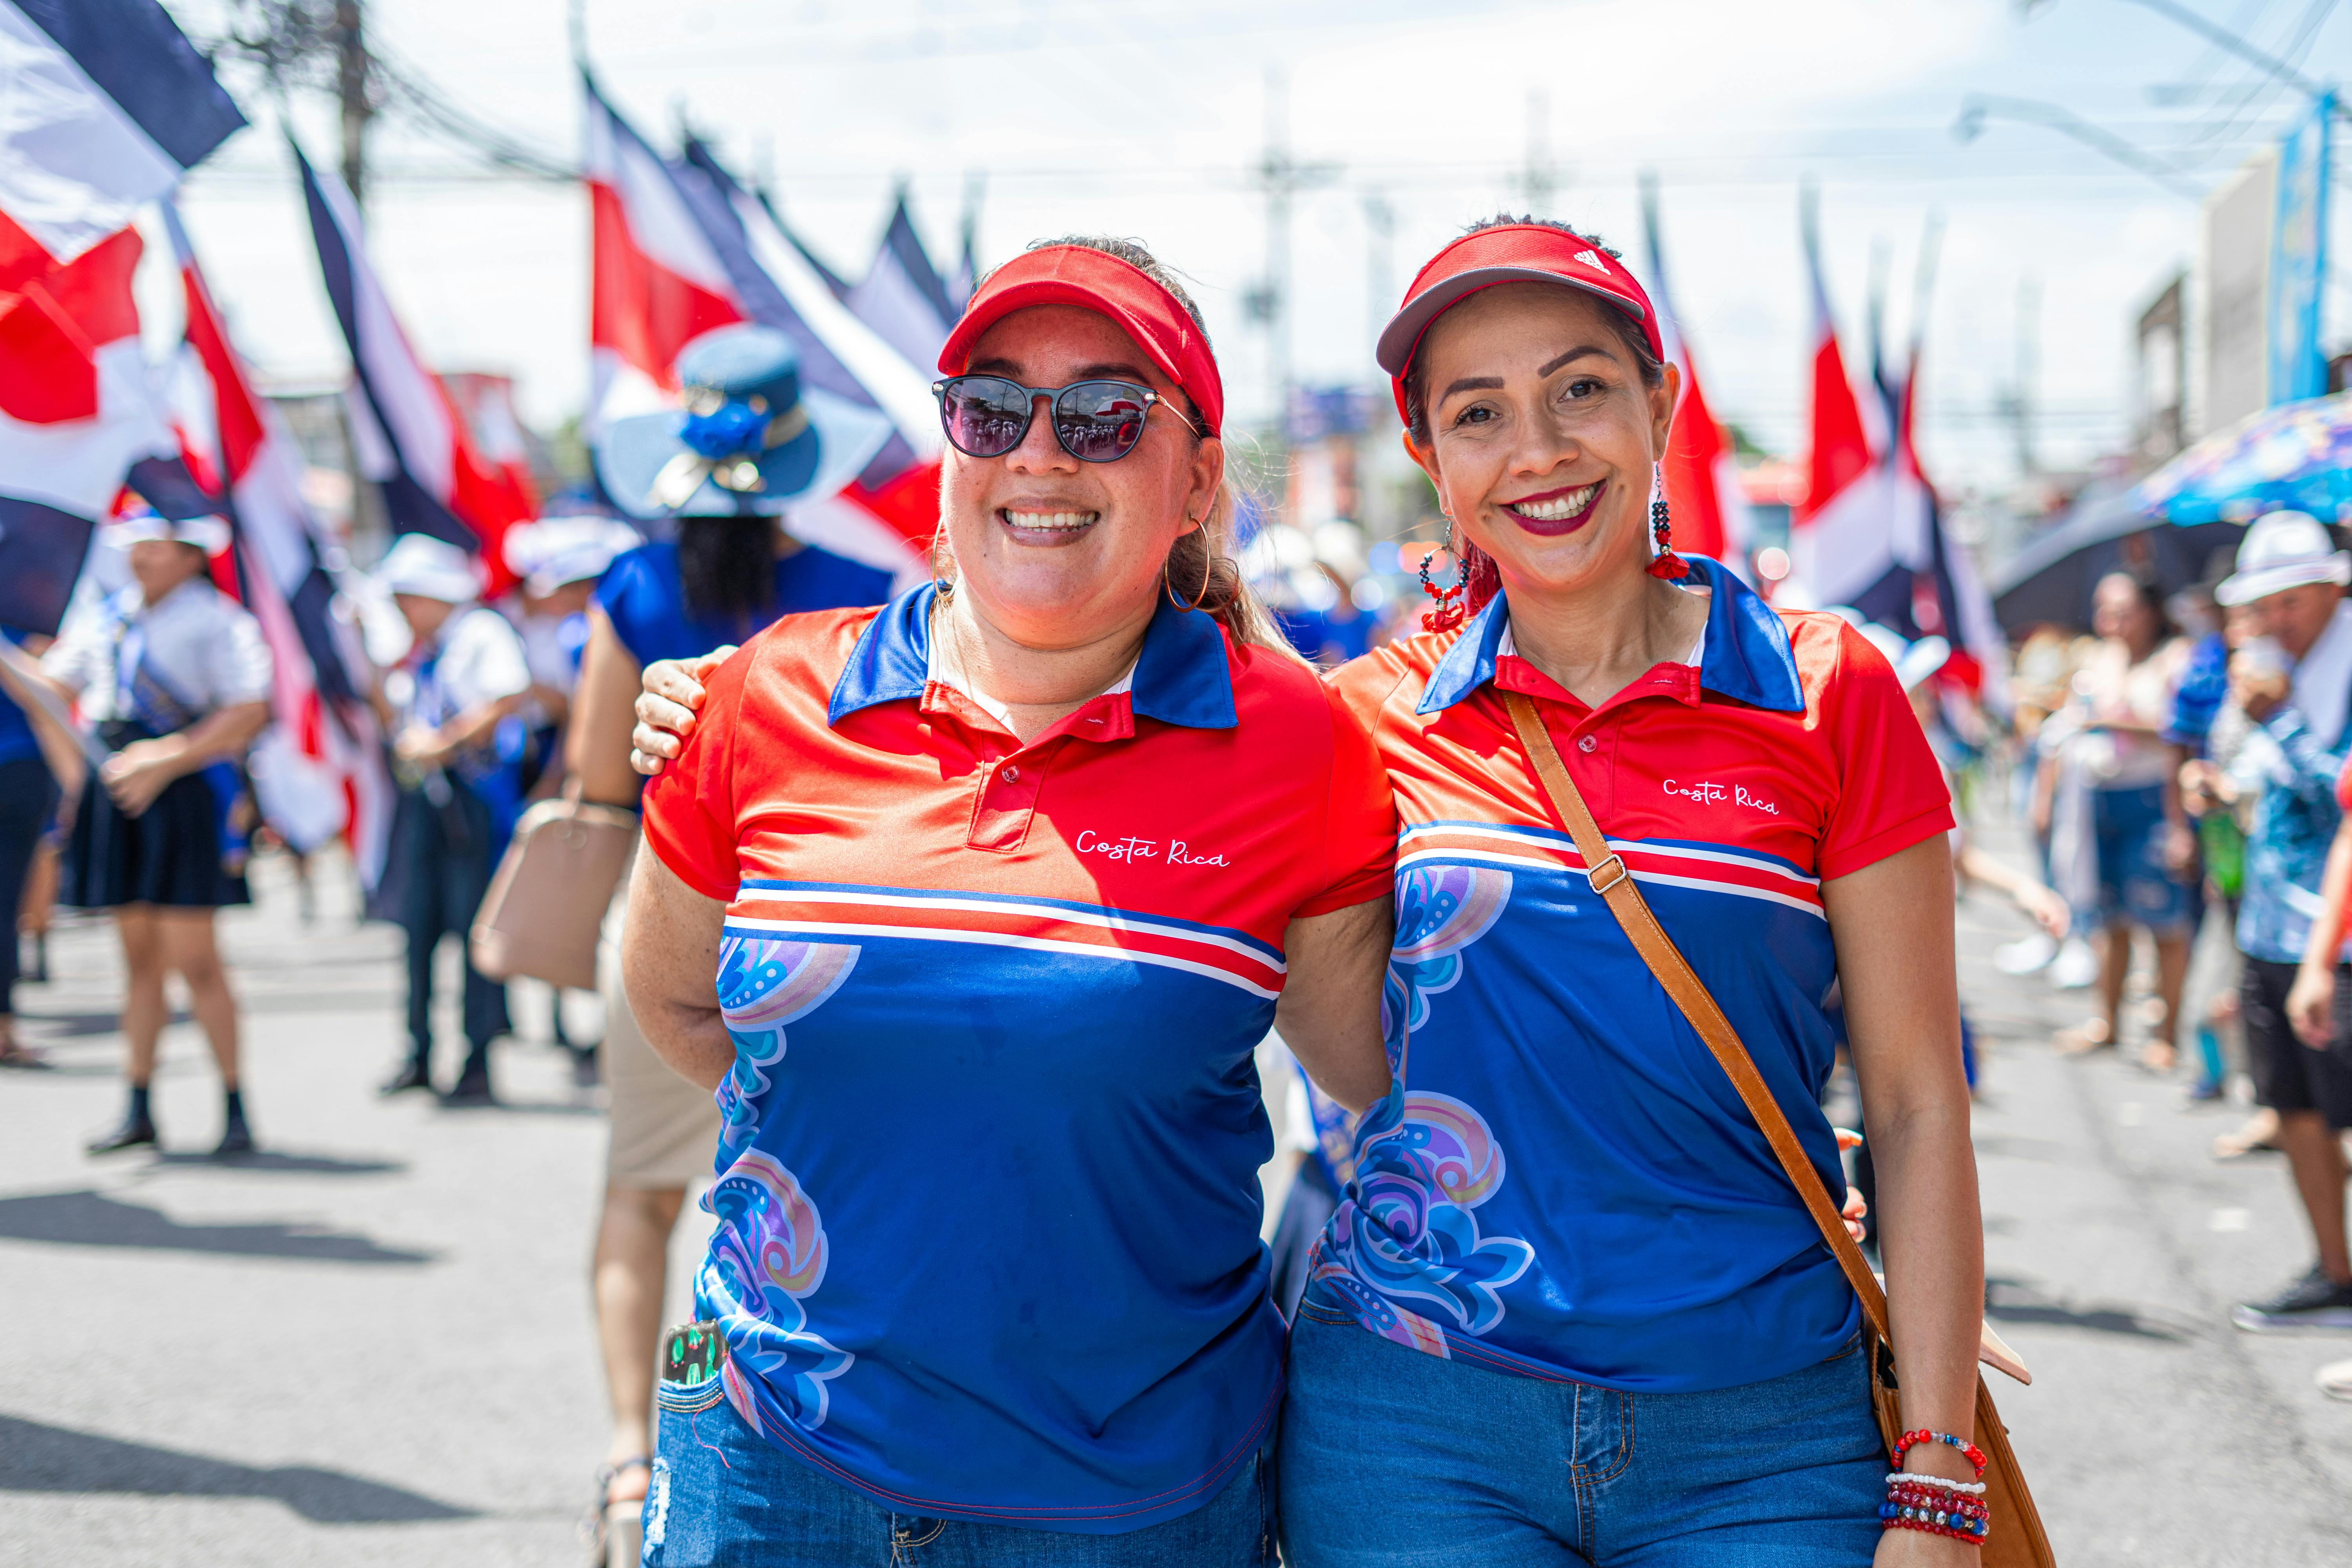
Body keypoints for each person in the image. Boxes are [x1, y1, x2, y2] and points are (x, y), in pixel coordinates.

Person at [619, 238, 1395, 1565]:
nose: (1042, 453)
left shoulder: (1302, 744)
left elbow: (1363, 1062)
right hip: (774, 1469)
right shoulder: (755, 702)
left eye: (1105, 415)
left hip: (1135, 1498)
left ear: (1197, 477)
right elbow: (679, 1008)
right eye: (993, 408)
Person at [1279, 220, 1985, 1564]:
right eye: (1477, 413)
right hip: (1414, 1424)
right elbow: (1331, 1048)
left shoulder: (1828, 688)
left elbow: (1911, 1096)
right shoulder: (1360, 720)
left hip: (1765, 1431)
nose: (1538, 449)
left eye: (1581, 389)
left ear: (1660, 403)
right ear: (1429, 457)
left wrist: (1937, 1465)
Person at [568, 326, 897, 1564]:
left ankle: (626, 1453)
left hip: (661, 919)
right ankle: (750, 1431)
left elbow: (601, 780)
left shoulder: (632, 590)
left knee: (639, 1200)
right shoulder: (848, 600)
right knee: (775, 1204)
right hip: (810, 939)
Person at [29, 510, 272, 1155]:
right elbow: (52, 688)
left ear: (192, 556)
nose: (140, 559)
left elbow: (249, 708)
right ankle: (139, 1104)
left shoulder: (219, 621)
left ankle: (234, 1102)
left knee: (196, 959)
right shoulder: (107, 615)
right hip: (118, 783)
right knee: (136, 959)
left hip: (184, 788)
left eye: (155, 549)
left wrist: (168, 758)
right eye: (135, 549)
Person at [2207, 511, 2352, 1332]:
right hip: (2270, 925)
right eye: (2264, 605)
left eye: (2289, 601)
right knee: (2292, 1104)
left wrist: (2280, 724)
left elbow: (2342, 794)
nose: (2274, 620)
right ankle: (2335, 1269)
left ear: (2333, 587)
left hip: (2336, 937)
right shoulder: (2280, 672)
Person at [373, 533, 533, 1105]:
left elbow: (507, 696)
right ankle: (418, 1049)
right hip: (423, 799)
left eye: (407, 596)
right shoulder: (416, 649)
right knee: (416, 927)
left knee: (473, 929)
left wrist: (444, 742)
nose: (400, 609)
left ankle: (477, 1056)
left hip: (471, 796)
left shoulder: (480, 633)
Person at [2043, 571, 2194, 1070]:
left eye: (2123, 611)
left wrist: (2110, 721)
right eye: (2105, 610)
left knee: (2164, 921)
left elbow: (2179, 729)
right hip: (2097, 797)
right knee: (2109, 918)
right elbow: (2064, 724)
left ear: (2151, 612)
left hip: (2153, 798)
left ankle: (2167, 1035)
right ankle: (2107, 1022)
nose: (2113, 622)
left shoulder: (2175, 659)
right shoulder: (2095, 657)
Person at [0, 631, 69, 1068]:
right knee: (6, 904)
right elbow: (47, 706)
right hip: (19, 771)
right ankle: (4, 1030)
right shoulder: (23, 625)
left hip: (19, 771)